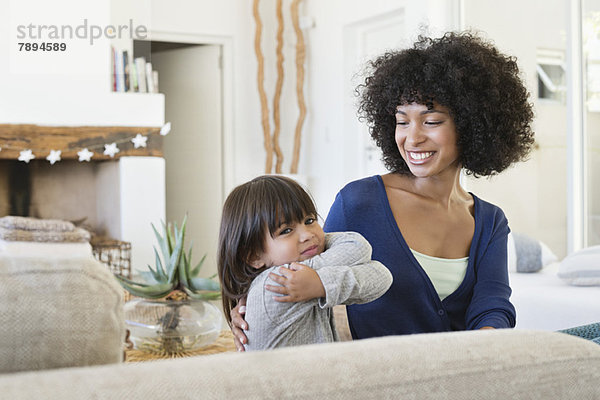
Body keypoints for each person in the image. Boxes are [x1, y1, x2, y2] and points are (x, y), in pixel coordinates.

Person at [218, 175, 392, 350]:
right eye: (286, 230)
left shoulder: (305, 279)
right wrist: (321, 283)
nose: (307, 235)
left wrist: (321, 283)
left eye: (309, 221)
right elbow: (357, 247)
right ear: (254, 256)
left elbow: (383, 277)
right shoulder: (276, 284)